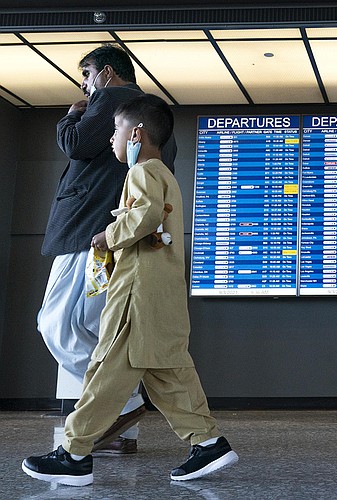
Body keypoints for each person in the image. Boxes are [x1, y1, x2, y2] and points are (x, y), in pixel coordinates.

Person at [22, 94, 237, 486]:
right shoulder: (165, 174)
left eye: (116, 129)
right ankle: (208, 444)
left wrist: (108, 235)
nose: (111, 138)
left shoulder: (141, 171)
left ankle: (73, 454)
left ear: (136, 132)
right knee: (169, 374)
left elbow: (146, 214)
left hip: (136, 296)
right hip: (163, 295)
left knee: (105, 371)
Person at [39, 44, 176, 454]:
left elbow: (76, 145)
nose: (85, 84)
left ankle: (122, 402)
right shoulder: (154, 115)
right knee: (101, 328)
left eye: (87, 74)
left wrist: (71, 114)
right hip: (120, 236)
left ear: (108, 73)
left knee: (57, 323)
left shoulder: (113, 99)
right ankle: (121, 430)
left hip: (87, 233)